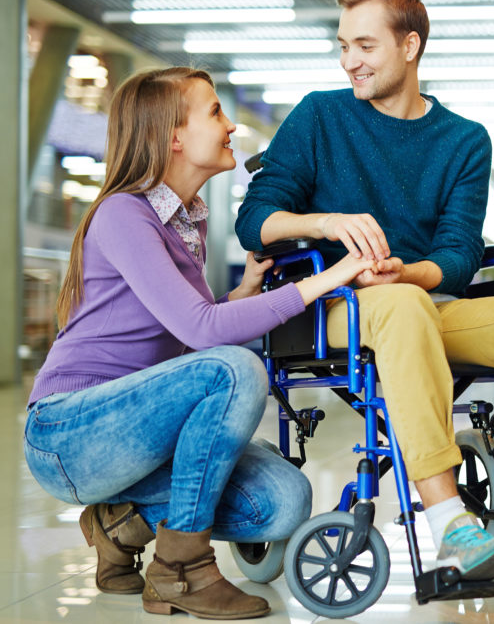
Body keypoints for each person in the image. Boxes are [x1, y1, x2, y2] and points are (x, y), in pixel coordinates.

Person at [235, 0, 494, 590]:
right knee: (401, 306)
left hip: (426, 301)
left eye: (366, 45)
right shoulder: (321, 116)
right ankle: (452, 525)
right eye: (344, 45)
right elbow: (255, 218)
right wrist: (328, 222)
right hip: (340, 308)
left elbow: (458, 253)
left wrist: (410, 271)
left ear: (410, 46)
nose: (350, 60)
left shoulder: (463, 141)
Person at [24, 67, 376, 620]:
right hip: (69, 434)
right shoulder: (123, 214)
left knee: (283, 502)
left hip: (138, 437)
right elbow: (203, 334)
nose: (231, 125)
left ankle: (122, 522)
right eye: (215, 112)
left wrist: (241, 296)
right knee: (235, 369)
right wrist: (320, 283)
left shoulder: (184, 224)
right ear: (174, 137)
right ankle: (181, 570)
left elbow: (185, 341)